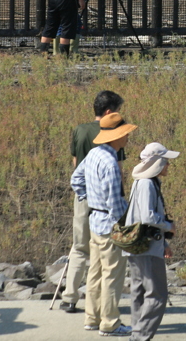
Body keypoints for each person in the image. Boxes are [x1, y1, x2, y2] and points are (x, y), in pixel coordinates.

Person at [71, 111, 138, 337]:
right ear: (116, 136)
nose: (127, 137)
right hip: (110, 224)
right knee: (112, 276)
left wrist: (90, 197)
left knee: (95, 272)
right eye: (125, 133)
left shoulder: (93, 154)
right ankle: (110, 323)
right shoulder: (110, 162)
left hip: (95, 221)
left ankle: (92, 318)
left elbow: (76, 180)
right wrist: (125, 224)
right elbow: (114, 200)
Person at [60, 90, 125, 314]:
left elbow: (75, 164)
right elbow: (118, 169)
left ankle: (69, 297)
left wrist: (82, 192)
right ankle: (101, 304)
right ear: (108, 112)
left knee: (79, 247)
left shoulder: (80, 130)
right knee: (105, 252)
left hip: (83, 196)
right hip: (106, 200)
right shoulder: (113, 132)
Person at [125, 143, 179, 341]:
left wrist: (164, 244)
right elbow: (147, 217)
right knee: (157, 295)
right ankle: (140, 337)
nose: (168, 165)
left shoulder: (140, 182)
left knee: (139, 291)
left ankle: (137, 332)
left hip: (137, 246)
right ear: (156, 162)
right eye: (165, 161)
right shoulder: (148, 184)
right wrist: (168, 226)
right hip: (147, 247)